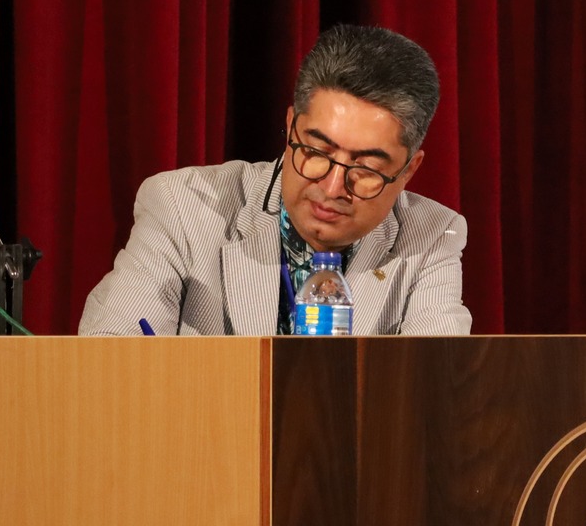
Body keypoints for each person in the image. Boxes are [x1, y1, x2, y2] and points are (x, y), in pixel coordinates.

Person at [79, 24, 471, 335]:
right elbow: (108, 363)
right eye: (316, 152)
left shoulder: (431, 236)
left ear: (409, 170)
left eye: (365, 169)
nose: (332, 188)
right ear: (290, 127)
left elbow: (435, 389)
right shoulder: (184, 206)